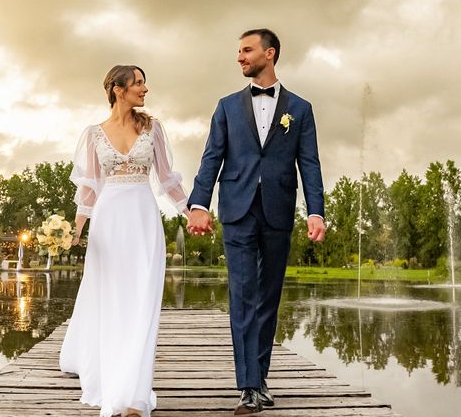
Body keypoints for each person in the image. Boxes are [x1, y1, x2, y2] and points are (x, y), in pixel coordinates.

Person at [187, 28, 326, 415]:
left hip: (279, 211)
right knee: (244, 295)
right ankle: (249, 386)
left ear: (270, 53)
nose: (240, 57)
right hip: (237, 209)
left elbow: (310, 163)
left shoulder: (300, 109)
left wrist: (316, 211)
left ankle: (259, 377)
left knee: (268, 298)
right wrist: (199, 203)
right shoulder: (227, 106)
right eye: (239, 51)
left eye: (247, 50)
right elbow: (211, 158)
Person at [59, 65, 190, 417]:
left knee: (142, 301)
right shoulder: (93, 134)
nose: (145, 88)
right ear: (118, 90)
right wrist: (75, 230)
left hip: (144, 220)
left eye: (144, 82)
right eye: (138, 83)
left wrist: (190, 212)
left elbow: (166, 179)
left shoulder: (153, 128)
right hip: (109, 222)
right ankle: (112, 381)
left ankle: (134, 396)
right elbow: (88, 188)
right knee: (111, 301)